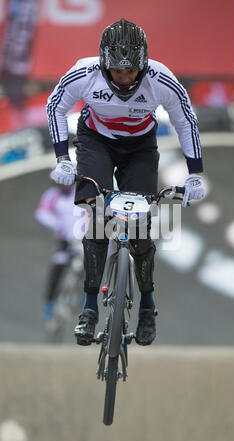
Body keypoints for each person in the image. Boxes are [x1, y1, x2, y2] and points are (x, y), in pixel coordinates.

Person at [47, 18, 204, 347]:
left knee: (139, 230)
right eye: (117, 71)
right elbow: (55, 106)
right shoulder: (84, 72)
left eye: (132, 71)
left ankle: (147, 305)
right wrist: (62, 158)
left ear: (143, 65)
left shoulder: (162, 79)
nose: (125, 78)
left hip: (140, 149)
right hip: (95, 142)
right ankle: (89, 308)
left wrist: (195, 173)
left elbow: (185, 121)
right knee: (99, 219)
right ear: (104, 65)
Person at [35, 181, 88, 336]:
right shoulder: (51, 195)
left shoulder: (79, 194)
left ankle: (83, 296)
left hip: (81, 238)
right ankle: (50, 302)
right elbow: (41, 213)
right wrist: (57, 224)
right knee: (57, 268)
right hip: (64, 239)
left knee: (88, 264)